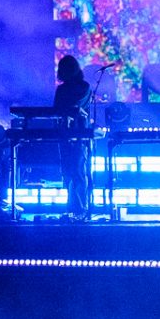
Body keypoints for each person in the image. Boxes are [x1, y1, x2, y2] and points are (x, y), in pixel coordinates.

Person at [54, 55, 94, 216]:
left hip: (79, 134)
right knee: (67, 170)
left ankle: (80, 209)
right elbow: (56, 110)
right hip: (64, 133)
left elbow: (76, 107)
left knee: (78, 170)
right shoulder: (61, 89)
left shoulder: (84, 87)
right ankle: (71, 207)